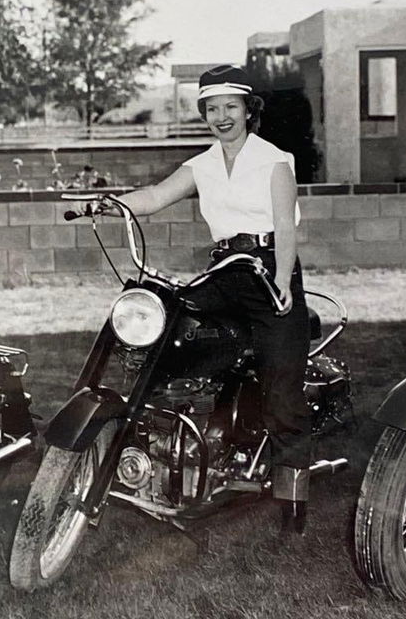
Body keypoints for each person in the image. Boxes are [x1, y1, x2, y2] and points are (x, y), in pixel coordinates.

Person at [115, 64, 314, 532]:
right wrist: (109, 203)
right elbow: (156, 195)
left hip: (268, 268)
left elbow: (284, 226)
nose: (222, 117)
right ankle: (164, 449)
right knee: (166, 331)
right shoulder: (202, 164)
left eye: (231, 107)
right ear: (204, 113)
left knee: (282, 390)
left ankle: (292, 502)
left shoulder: (273, 160)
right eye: (212, 109)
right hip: (224, 271)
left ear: (248, 110)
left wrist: (282, 278)